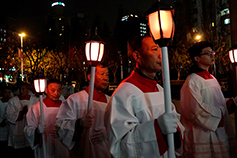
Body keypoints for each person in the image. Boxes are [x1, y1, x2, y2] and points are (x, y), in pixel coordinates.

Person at [104, 35, 184, 158]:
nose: (161, 55)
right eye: (154, 49)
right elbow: (118, 146)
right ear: (137, 56)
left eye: (161, 49)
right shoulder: (124, 94)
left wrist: (176, 130)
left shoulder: (161, 90)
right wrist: (157, 129)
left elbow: (175, 125)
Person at [179, 41, 236, 158]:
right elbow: (194, 110)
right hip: (201, 134)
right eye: (208, 53)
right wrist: (220, 112)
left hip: (217, 132)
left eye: (212, 52)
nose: (212, 55)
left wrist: (231, 102)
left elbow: (216, 101)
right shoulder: (192, 80)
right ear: (197, 58)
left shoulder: (212, 78)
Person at [56, 63, 110, 158]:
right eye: (102, 74)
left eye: (107, 74)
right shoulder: (75, 100)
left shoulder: (111, 101)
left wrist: (109, 132)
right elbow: (61, 126)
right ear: (90, 76)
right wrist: (79, 124)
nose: (105, 78)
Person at [24, 79, 69, 158]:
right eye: (53, 90)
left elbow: (72, 126)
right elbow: (28, 129)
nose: (56, 93)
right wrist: (36, 132)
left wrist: (62, 132)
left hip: (62, 147)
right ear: (46, 90)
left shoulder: (66, 107)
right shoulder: (36, 109)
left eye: (59, 90)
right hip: (44, 147)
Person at [6, 82, 37, 158]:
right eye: (20, 89)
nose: (21, 91)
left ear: (28, 90)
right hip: (18, 129)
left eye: (23, 89)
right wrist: (21, 113)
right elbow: (9, 115)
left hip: (30, 128)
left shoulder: (35, 100)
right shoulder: (13, 101)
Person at [0, 86, 12, 157]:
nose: (7, 94)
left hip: (10, 128)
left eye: (9, 93)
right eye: (6, 93)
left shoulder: (13, 102)